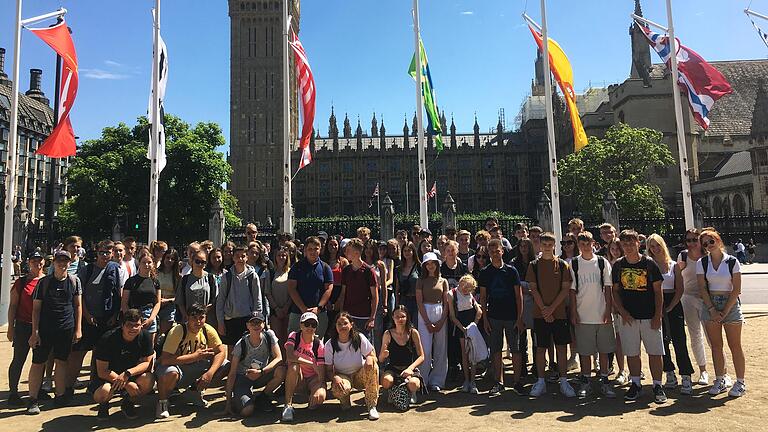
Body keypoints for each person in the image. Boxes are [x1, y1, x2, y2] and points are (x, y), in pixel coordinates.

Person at [612, 230, 666, 403]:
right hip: (629, 317)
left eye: (631, 243)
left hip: (649, 315)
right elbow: (615, 292)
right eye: (625, 243)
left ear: (638, 243)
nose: (628, 246)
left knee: (655, 352)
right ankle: (635, 383)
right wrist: (622, 312)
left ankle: (657, 385)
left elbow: (658, 292)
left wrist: (657, 315)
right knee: (632, 352)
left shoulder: (649, 264)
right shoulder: (618, 265)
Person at [26, 250, 83, 415]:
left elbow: (78, 306)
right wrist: (34, 332)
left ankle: (60, 395)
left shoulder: (74, 281)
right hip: (44, 330)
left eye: (66, 260)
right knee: (38, 363)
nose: (62, 263)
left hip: (66, 329)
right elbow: (36, 309)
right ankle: (32, 399)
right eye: (59, 260)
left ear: (70, 263)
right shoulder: (43, 283)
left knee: (62, 361)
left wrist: (78, 329)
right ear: (54, 262)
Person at [67, 240, 122, 395]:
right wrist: (86, 314)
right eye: (102, 252)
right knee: (78, 354)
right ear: (96, 252)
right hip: (88, 318)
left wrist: (115, 315)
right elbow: (80, 294)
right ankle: (67, 387)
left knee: (101, 354)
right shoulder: (87, 269)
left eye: (108, 252)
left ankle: (94, 385)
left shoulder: (115, 269)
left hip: (107, 318)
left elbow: (118, 293)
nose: (105, 255)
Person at [155, 303, 228, 419]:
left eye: (201, 317)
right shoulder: (178, 331)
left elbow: (221, 351)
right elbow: (165, 360)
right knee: (170, 373)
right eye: (194, 317)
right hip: (177, 368)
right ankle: (163, 402)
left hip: (196, 368)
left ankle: (193, 392)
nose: (198, 321)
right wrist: (195, 356)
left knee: (225, 365)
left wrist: (210, 373)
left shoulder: (207, 329)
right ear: (187, 317)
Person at [697, 229, 746, 397]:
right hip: (711, 303)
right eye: (705, 243)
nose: (709, 245)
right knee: (716, 346)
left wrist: (724, 311)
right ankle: (720, 378)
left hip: (730, 304)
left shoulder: (732, 262)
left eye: (711, 241)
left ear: (718, 240)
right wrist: (712, 309)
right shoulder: (702, 263)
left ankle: (740, 382)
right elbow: (702, 288)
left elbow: (737, 289)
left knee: (735, 346)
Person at [527, 232, 577, 398]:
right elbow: (533, 289)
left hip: (559, 314)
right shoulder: (533, 265)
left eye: (550, 245)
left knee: (561, 348)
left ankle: (564, 380)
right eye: (544, 245)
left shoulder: (563, 265)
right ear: (540, 246)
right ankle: (541, 381)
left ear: (555, 246)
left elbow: (565, 290)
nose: (547, 247)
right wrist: (544, 309)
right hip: (540, 314)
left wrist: (551, 309)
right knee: (541, 348)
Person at [569, 231, 616, 398]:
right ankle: (586, 380)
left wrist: (608, 310)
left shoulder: (603, 263)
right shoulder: (574, 263)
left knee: (604, 350)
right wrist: (574, 312)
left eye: (587, 242)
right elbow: (572, 291)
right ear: (578, 245)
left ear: (593, 243)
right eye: (581, 243)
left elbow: (609, 288)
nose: (585, 246)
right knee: (585, 351)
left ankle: (604, 379)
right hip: (583, 314)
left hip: (601, 313)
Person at [647, 234, 694, 395]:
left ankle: (686, 375)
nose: (655, 249)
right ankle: (669, 373)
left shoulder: (673, 265)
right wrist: (658, 309)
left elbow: (679, 288)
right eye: (652, 246)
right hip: (655, 304)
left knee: (679, 340)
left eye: (657, 245)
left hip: (672, 303)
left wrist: (670, 306)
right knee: (661, 343)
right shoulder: (649, 265)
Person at [479, 239, 524, 396]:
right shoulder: (485, 272)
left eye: (497, 251)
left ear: (502, 251)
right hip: (494, 317)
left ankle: (517, 382)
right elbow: (483, 298)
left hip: (511, 316)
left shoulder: (512, 271)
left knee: (516, 350)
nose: (494, 254)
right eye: (491, 252)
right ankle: (499, 382)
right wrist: (484, 319)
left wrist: (520, 318)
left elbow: (519, 296)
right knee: (496, 350)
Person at [92, 308, 155, 419]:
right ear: (122, 325)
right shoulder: (107, 339)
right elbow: (102, 371)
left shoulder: (145, 336)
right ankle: (104, 404)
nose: (133, 328)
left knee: (148, 380)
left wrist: (128, 374)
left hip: (130, 375)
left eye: (137, 325)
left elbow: (147, 363)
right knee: (104, 392)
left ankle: (128, 403)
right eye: (129, 325)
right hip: (108, 378)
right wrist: (125, 384)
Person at [225, 311, 285, 416]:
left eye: (259, 322)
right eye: (253, 323)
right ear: (247, 325)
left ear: (263, 324)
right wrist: (228, 402)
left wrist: (261, 372)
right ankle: (240, 399)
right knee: (247, 411)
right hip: (243, 377)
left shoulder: (269, 336)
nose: (256, 326)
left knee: (281, 370)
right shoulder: (241, 344)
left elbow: (279, 358)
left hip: (262, 374)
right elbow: (232, 373)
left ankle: (263, 397)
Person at [6, 250, 45, 407]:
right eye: (34, 260)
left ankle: (38, 388)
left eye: (40, 260)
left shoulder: (47, 281)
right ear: (28, 262)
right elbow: (13, 306)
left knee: (40, 360)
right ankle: (13, 392)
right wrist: (11, 327)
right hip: (23, 326)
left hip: (43, 327)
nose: (38, 263)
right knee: (19, 359)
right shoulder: (21, 282)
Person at [325, 312, 380, 420]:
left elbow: (371, 353)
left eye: (345, 323)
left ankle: (371, 406)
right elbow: (328, 370)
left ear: (351, 325)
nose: (342, 326)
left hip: (359, 374)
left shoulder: (359, 338)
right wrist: (334, 377)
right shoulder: (330, 344)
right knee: (338, 389)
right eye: (339, 324)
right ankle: (345, 401)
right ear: (335, 326)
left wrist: (369, 358)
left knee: (374, 366)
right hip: (343, 376)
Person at [676, 229, 712, 386]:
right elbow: (677, 277)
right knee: (695, 335)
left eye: (694, 240)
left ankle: (722, 373)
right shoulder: (683, 256)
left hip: (707, 300)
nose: (691, 243)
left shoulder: (708, 256)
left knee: (713, 338)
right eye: (688, 240)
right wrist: (680, 269)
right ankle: (703, 370)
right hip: (688, 298)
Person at [282, 312, 327, 423]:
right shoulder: (294, 336)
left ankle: (310, 397)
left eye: (313, 324)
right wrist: (311, 363)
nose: (310, 327)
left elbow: (320, 370)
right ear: (301, 325)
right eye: (307, 324)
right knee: (293, 366)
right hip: (298, 377)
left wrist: (320, 386)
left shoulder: (319, 344)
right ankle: (288, 405)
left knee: (320, 397)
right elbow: (290, 356)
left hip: (312, 379)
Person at [217, 244, 262, 350]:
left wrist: (257, 320)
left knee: (247, 349)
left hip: (248, 319)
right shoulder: (226, 277)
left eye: (243, 256)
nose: (240, 259)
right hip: (230, 318)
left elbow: (257, 299)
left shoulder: (253, 276)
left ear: (247, 257)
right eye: (237, 256)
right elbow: (221, 300)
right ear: (233, 258)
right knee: (231, 350)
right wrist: (220, 322)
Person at [415, 252, 449, 392]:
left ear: (437, 264)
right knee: (426, 349)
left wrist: (441, 321)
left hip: (440, 312)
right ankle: (423, 379)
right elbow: (419, 302)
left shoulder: (443, 281)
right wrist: (428, 322)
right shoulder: (420, 281)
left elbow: (446, 303)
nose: (430, 266)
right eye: (427, 264)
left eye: (433, 263)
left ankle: (437, 380)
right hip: (424, 314)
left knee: (441, 348)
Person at [287, 237, 334, 337]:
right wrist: (303, 308)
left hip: (319, 314)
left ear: (320, 249)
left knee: (317, 345)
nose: (313, 252)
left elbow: (329, 288)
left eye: (316, 249)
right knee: (295, 343)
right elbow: (291, 288)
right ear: (305, 250)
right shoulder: (297, 267)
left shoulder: (325, 268)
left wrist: (319, 307)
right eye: (310, 249)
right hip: (298, 313)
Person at [380, 306, 425, 407]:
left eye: (403, 316)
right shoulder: (388, 333)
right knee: (387, 381)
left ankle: (411, 392)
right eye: (397, 317)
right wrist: (383, 355)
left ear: (407, 317)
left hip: (409, 369)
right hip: (393, 368)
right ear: (393, 317)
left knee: (413, 384)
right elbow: (381, 359)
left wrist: (410, 369)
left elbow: (421, 356)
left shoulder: (413, 332)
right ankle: (392, 391)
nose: (400, 319)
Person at [447, 275, 482, 394]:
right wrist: (463, 329)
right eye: (465, 287)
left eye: (469, 288)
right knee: (464, 353)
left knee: (473, 353)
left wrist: (474, 326)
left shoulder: (470, 295)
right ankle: (466, 380)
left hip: (471, 327)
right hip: (461, 327)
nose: (466, 290)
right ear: (460, 283)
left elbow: (479, 311)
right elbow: (452, 316)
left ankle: (473, 382)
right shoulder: (451, 294)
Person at [338, 238, 378, 341]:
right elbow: (343, 293)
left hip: (364, 316)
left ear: (356, 253)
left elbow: (374, 296)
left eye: (348, 250)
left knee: (365, 346)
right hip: (348, 315)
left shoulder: (369, 271)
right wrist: (341, 313)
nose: (345, 252)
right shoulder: (346, 270)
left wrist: (372, 318)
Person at [440, 240, 468, 383]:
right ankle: (451, 367)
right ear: (444, 252)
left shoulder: (463, 268)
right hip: (445, 308)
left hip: (461, 309)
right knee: (448, 339)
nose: (451, 253)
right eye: (448, 250)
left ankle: (463, 368)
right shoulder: (441, 268)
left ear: (457, 251)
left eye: (453, 250)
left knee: (460, 338)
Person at [121, 253, 162, 345]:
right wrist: (130, 319)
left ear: (153, 264)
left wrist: (151, 319)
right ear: (139, 263)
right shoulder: (131, 281)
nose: (146, 265)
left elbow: (157, 302)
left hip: (150, 316)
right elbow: (124, 302)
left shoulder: (155, 282)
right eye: (144, 262)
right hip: (134, 315)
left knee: (149, 346)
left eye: (149, 262)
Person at [511, 238, 536, 376]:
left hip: (534, 300)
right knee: (521, 335)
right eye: (521, 246)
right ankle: (522, 366)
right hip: (519, 301)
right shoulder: (514, 263)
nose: (524, 248)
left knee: (535, 334)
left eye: (526, 246)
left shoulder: (536, 262)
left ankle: (537, 366)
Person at [176, 249, 218, 326]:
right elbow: (180, 301)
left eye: (203, 262)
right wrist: (186, 315)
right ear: (192, 261)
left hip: (206, 319)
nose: (200, 264)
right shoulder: (185, 279)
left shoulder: (211, 278)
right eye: (197, 261)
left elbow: (214, 299)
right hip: (189, 319)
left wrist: (202, 313)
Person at [321, 236, 348, 338]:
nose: (333, 247)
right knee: (326, 329)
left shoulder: (343, 262)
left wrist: (340, 300)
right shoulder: (323, 262)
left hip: (339, 293)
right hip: (326, 293)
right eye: (331, 244)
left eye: (335, 244)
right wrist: (326, 301)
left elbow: (346, 283)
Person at [267, 244, 293, 347]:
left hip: (288, 309)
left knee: (288, 338)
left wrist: (286, 307)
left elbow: (293, 291)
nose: (281, 258)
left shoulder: (291, 272)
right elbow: (268, 292)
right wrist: (276, 308)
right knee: (276, 339)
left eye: (284, 255)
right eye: (279, 255)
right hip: (275, 310)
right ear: (275, 257)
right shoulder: (271, 272)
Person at [395, 241, 421, 325]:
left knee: (415, 326)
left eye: (409, 250)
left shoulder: (419, 267)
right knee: (404, 326)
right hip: (404, 300)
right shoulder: (399, 268)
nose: (407, 253)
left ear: (413, 251)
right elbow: (397, 289)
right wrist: (397, 305)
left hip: (416, 301)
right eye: (405, 251)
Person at [157, 248, 180, 334]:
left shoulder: (177, 277)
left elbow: (179, 296)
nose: (169, 260)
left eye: (172, 259)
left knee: (163, 334)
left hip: (169, 307)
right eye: (167, 257)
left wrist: (167, 301)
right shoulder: (156, 273)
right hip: (156, 304)